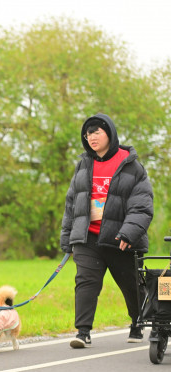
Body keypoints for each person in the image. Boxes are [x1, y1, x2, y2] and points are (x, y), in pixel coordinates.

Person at [60, 113, 154, 348]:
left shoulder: (131, 165)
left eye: (96, 132)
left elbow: (141, 204)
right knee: (86, 282)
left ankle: (137, 322)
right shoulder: (84, 164)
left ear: (109, 133)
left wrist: (129, 233)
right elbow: (72, 203)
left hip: (121, 238)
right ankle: (83, 332)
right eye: (87, 134)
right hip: (88, 238)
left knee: (131, 286)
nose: (91, 137)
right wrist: (68, 238)